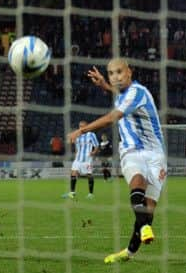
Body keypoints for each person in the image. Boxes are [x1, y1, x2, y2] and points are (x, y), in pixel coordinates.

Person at [68, 59, 167, 263]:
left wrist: (81, 130)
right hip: (131, 150)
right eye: (111, 73)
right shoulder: (123, 93)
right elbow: (118, 95)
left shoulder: (138, 92)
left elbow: (113, 117)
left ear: (129, 72)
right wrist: (104, 84)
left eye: (119, 72)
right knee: (137, 181)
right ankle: (144, 229)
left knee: (147, 212)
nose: (116, 76)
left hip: (156, 155)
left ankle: (129, 252)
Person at [62, 121, 99, 199]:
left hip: (87, 159)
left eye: (83, 126)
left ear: (87, 126)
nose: (81, 128)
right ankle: (72, 193)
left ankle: (91, 194)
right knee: (73, 173)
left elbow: (96, 145)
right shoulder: (77, 135)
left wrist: (93, 152)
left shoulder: (91, 135)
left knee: (89, 175)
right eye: (80, 126)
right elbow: (72, 144)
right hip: (78, 159)